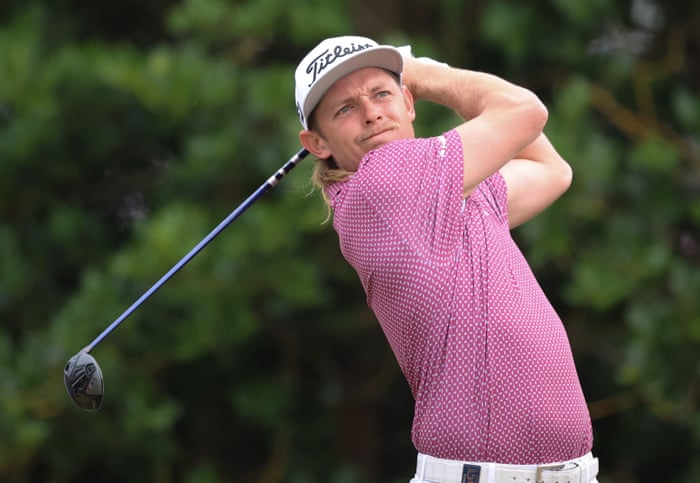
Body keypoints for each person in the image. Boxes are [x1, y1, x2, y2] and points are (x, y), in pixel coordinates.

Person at [294, 35, 599, 483]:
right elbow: (526, 112)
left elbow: (552, 170)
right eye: (345, 108)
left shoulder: (448, 191)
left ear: (408, 104)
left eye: (382, 93)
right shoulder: (382, 183)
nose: (372, 112)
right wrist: (425, 74)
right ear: (317, 143)